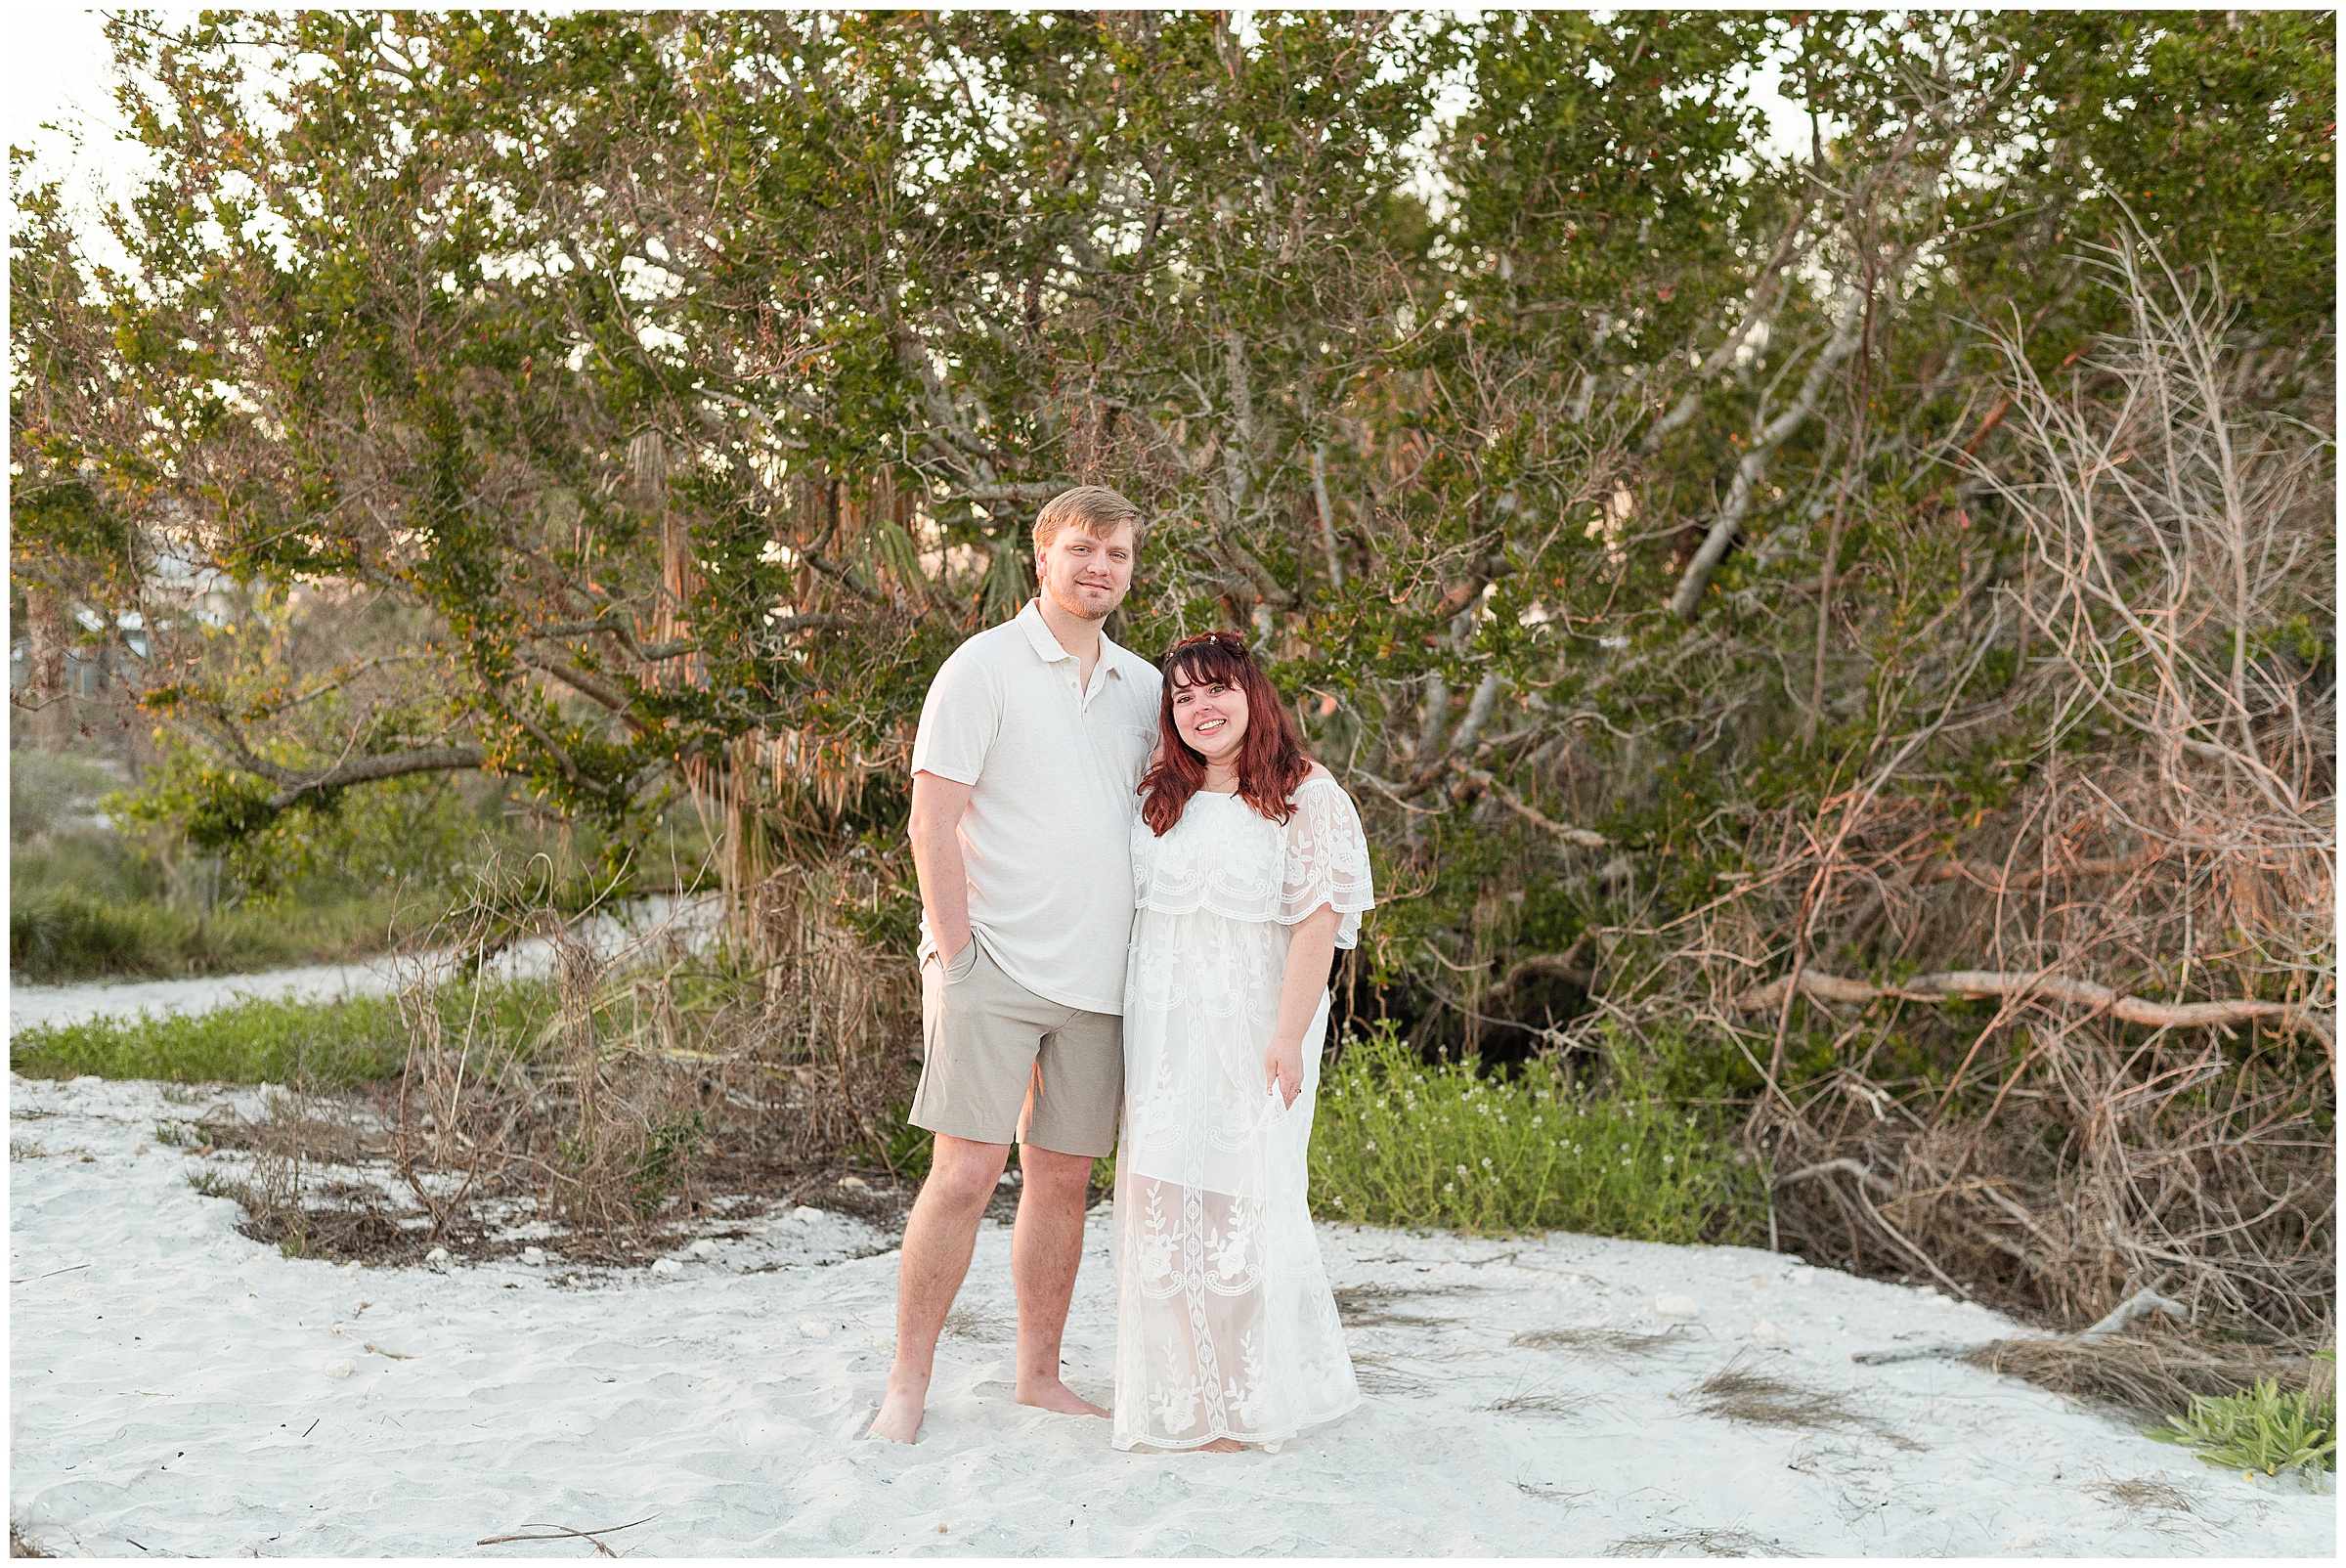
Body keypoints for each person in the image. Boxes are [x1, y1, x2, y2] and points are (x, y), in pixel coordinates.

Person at [868, 486, 1162, 1445]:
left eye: (1116, 554)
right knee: (964, 1172)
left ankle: (1040, 1375)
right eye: (1082, 549)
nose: (1099, 568)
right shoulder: (981, 667)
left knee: (1064, 1174)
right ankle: (906, 1385)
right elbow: (930, 820)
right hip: (992, 959)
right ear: (1042, 556)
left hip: (1100, 978)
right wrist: (957, 953)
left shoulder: (1145, 686)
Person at [1111, 630, 1373, 1453]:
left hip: (1255, 1032)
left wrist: (1287, 1038)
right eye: (1183, 698)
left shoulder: (1307, 794)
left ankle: (1244, 1402)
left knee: (1237, 1211)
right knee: (1161, 1214)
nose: (1201, 708)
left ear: (1253, 696)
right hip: (1161, 1036)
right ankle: (1196, 1399)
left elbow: (1317, 926)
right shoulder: (1159, 793)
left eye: (1216, 689)